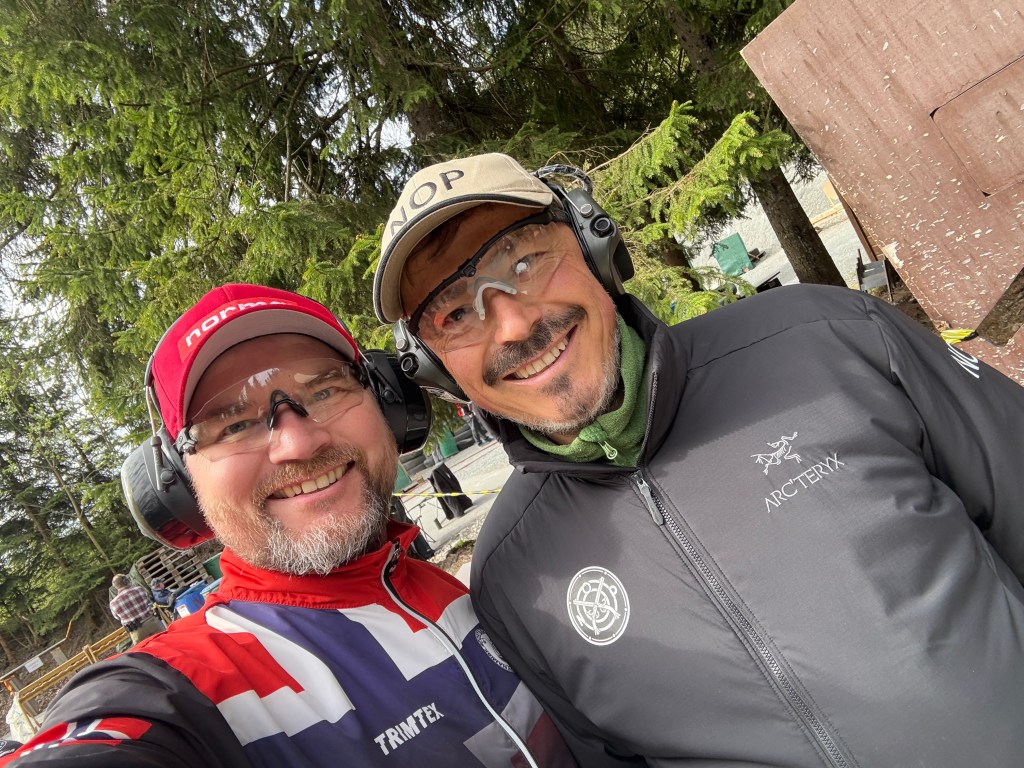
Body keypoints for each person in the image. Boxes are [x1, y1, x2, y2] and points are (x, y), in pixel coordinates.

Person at [373, 152, 1024, 767]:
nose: (514, 326)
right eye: (454, 314)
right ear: (436, 369)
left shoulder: (831, 339)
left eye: (523, 261)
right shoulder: (512, 576)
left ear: (594, 245)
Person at [2, 284, 573, 768]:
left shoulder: (464, 586)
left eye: (324, 390)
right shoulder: (191, 686)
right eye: (233, 426)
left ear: (389, 405)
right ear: (179, 487)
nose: (299, 442)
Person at [108, 574, 164, 644]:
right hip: (152, 623)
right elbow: (149, 602)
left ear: (115, 587)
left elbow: (118, 617)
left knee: (144, 650)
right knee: (166, 642)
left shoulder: (113, 603)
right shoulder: (139, 589)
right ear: (126, 581)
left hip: (137, 632)